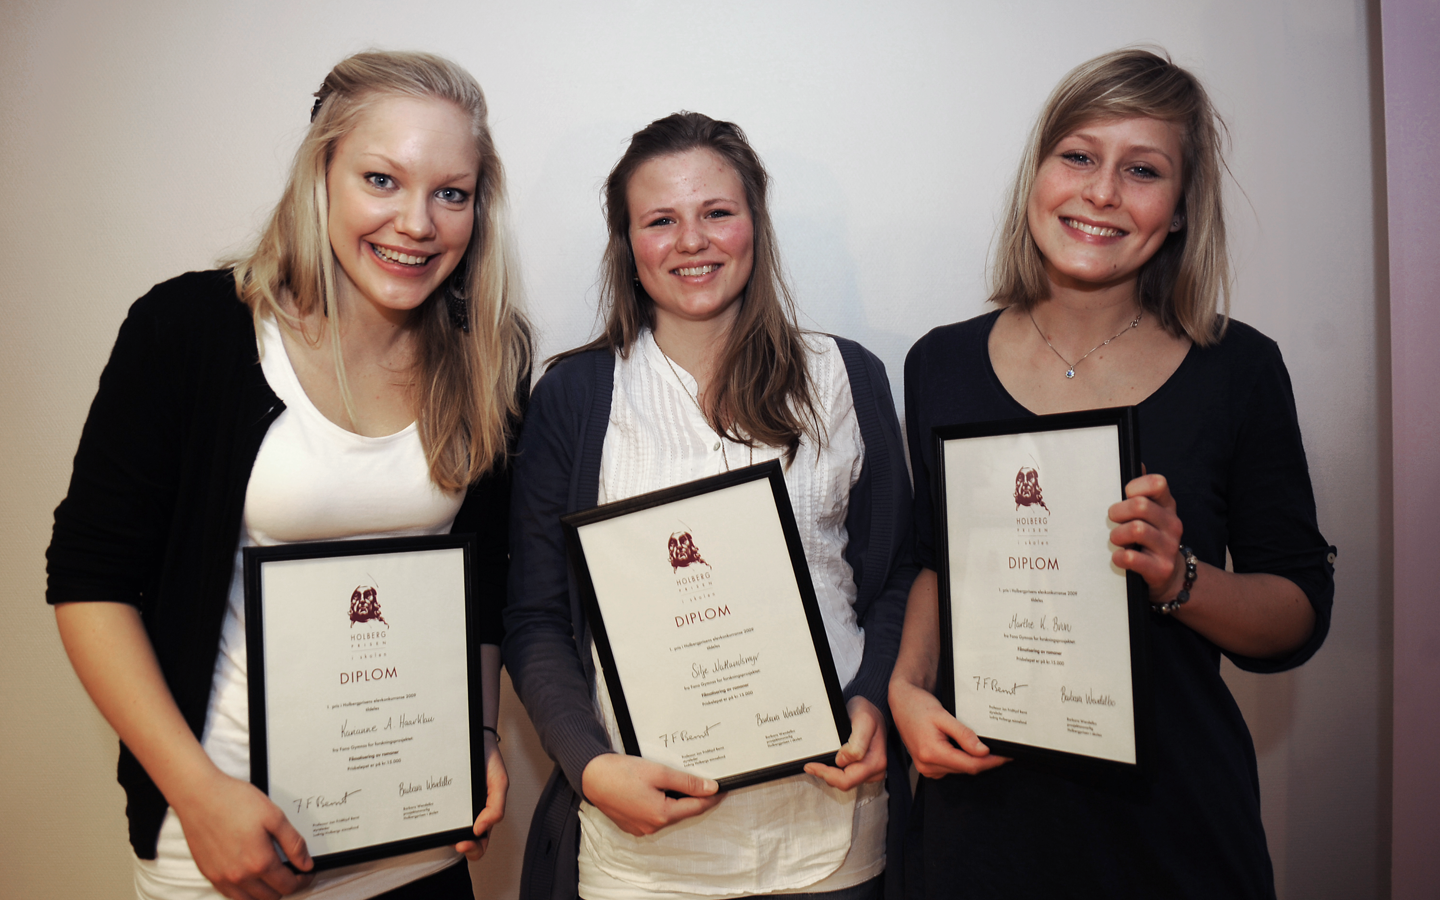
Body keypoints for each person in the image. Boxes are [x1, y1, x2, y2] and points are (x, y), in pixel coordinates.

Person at [46, 50, 529, 900]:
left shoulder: (488, 356)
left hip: (417, 838)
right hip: (232, 835)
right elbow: (91, 583)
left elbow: (481, 580)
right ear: (322, 173)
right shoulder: (191, 331)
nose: (417, 222)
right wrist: (194, 794)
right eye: (381, 179)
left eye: (451, 192)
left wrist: (479, 732)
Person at [889, 49, 1335, 899]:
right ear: (1038, 177)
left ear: (1177, 212)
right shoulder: (938, 363)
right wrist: (907, 688)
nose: (1101, 193)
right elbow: (934, 562)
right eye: (1080, 156)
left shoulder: (1237, 368)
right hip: (978, 828)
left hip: (1172, 835)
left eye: (1143, 170)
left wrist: (1182, 577)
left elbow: (1298, 613)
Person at [504, 112, 915, 900]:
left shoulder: (847, 377)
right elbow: (536, 618)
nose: (692, 241)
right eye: (661, 220)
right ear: (628, 246)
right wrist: (589, 767)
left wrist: (872, 703)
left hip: (827, 837)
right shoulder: (576, 398)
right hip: (647, 858)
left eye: (716, 213)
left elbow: (895, 575)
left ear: (754, 225)